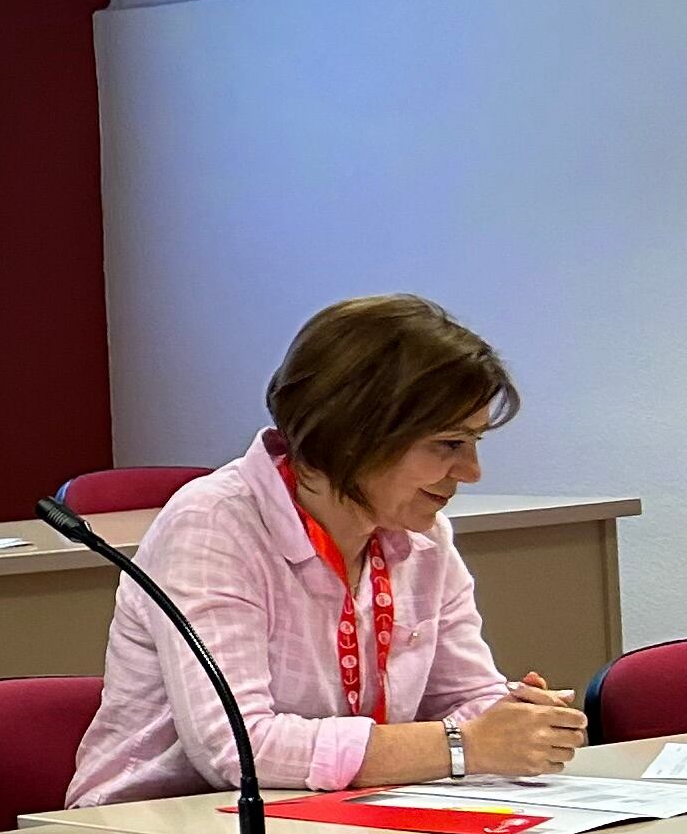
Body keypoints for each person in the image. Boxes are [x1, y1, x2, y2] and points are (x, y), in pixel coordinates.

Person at [68, 295, 586, 806]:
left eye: (474, 443)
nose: (472, 472)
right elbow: (239, 748)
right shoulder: (212, 526)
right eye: (448, 444)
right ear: (355, 434)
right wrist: (465, 745)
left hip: (337, 820)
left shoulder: (424, 536)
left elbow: (463, 699)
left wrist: (517, 718)